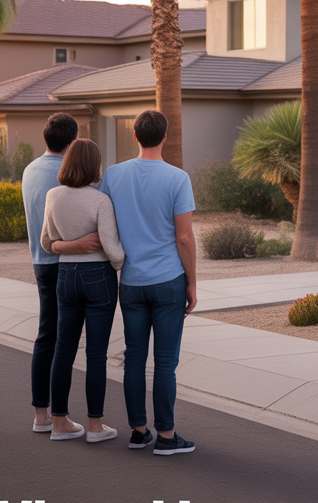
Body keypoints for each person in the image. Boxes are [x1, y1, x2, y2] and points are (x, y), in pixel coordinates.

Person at [100, 110, 197, 454]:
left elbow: (104, 223)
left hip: (130, 281)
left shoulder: (112, 175)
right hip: (168, 280)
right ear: (165, 137)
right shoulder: (178, 178)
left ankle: (139, 432)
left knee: (135, 357)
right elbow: (184, 237)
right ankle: (167, 437)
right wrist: (192, 283)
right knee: (166, 362)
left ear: (136, 136)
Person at [21, 113, 101, 434]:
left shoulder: (29, 171)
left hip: (40, 262)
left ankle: (41, 415)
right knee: (65, 343)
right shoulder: (70, 174)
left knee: (46, 336)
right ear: (72, 143)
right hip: (68, 263)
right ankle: (61, 418)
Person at [40, 139, 125, 443]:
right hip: (97, 278)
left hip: (65, 276)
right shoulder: (100, 200)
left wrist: (68, 247)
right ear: (93, 165)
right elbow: (114, 251)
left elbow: (46, 243)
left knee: (63, 350)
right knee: (96, 354)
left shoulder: (53, 196)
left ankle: (60, 423)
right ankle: (95, 426)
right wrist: (123, 262)